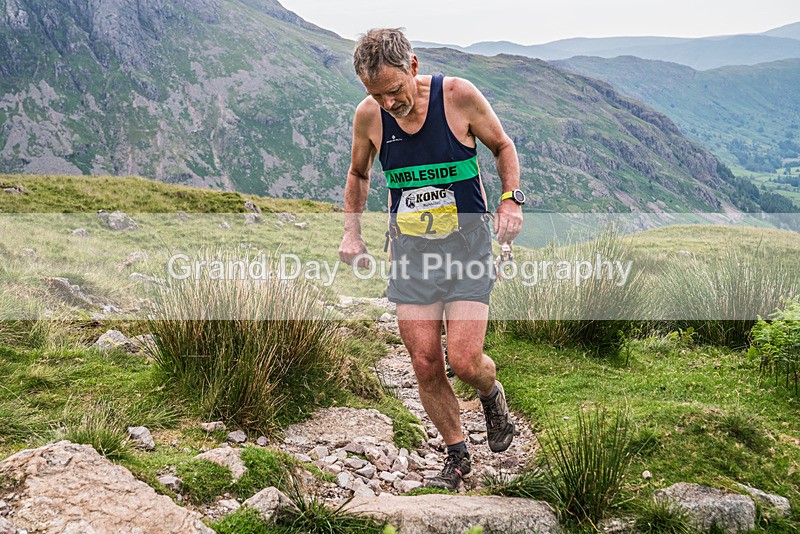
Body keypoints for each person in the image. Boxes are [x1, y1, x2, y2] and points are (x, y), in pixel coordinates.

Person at [338, 28, 525, 491]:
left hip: (467, 249)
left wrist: (510, 200)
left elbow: (502, 145)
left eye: (394, 90)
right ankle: (457, 455)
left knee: (464, 360)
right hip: (411, 254)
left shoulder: (458, 97)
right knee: (424, 361)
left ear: (414, 68)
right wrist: (352, 232)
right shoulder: (371, 117)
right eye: (376, 94)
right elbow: (359, 172)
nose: (389, 103)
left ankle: (490, 390)